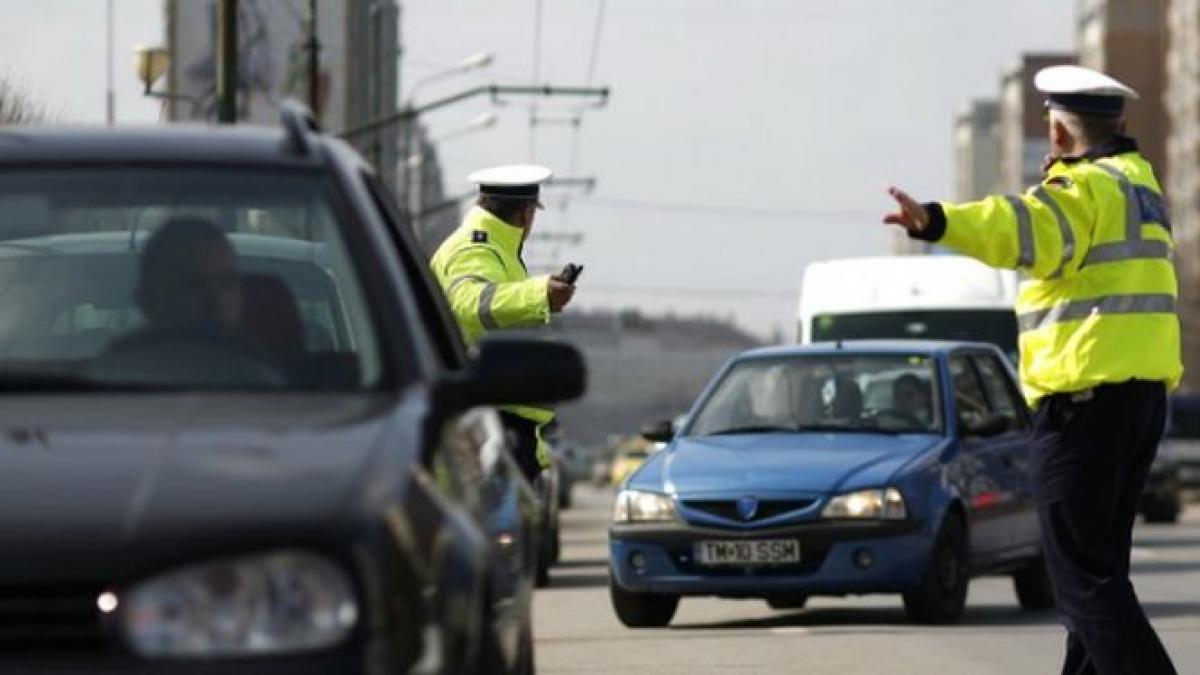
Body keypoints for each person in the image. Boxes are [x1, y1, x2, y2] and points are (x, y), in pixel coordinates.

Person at [883, 65, 1179, 675]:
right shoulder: (1140, 186)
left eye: (1051, 129)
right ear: (1117, 125)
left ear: (1063, 135)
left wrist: (938, 221)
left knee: (1083, 586)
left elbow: (1021, 228)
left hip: (1083, 410)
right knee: (1098, 578)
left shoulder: (1081, 190)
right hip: (1139, 403)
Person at [430, 164, 577, 482]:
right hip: (491, 430)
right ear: (526, 215)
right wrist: (540, 294)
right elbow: (470, 303)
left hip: (503, 428)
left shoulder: (496, 250)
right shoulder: (475, 248)